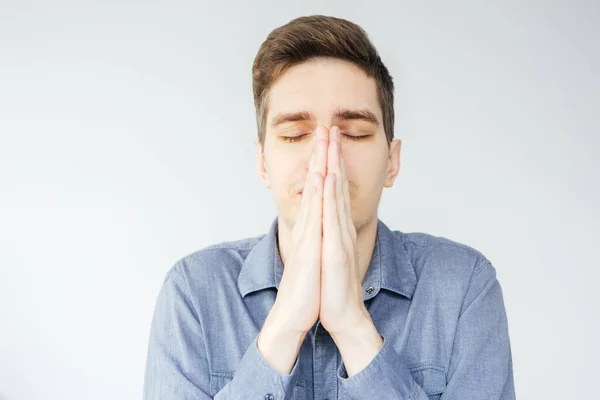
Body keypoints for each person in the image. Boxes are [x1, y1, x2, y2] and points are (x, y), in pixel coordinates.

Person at [142, 14, 515, 400]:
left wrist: (353, 326)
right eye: (295, 134)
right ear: (263, 163)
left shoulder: (465, 287)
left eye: (354, 133)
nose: (325, 158)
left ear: (392, 161)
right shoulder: (193, 293)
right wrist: (285, 323)